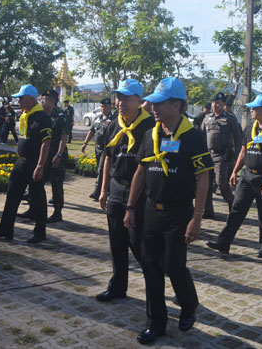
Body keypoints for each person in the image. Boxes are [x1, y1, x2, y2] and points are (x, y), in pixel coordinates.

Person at [123, 77, 213, 345]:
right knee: (151, 268)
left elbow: (204, 177)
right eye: (153, 103)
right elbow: (141, 170)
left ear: (177, 105)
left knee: (173, 266)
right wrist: (130, 208)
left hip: (179, 214)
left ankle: (188, 304)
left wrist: (197, 218)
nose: (153, 108)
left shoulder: (193, 136)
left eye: (160, 104)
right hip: (151, 211)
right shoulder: (152, 133)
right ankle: (156, 323)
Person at [207, 94, 262, 259]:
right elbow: (243, 150)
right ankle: (224, 242)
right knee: (237, 209)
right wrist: (235, 171)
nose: (251, 110)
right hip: (247, 175)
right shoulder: (250, 127)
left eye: (254, 108)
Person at [97, 79, 155, 302]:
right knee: (117, 242)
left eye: (127, 98)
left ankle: (155, 287)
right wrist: (103, 190)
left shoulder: (150, 126)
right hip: (116, 189)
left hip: (141, 193)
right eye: (118, 97)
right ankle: (118, 286)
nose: (120, 102)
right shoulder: (114, 125)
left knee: (140, 245)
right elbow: (108, 159)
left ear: (139, 101)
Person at [0, 84, 52, 243]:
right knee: (12, 195)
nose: (18, 101)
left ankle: (40, 232)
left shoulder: (42, 117)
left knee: (37, 198)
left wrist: (40, 165)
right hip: (21, 162)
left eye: (21, 98)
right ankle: (5, 230)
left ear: (31, 99)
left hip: (34, 164)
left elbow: (46, 143)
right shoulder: (25, 115)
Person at [18, 89, 68, 223]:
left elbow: (64, 137)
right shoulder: (38, 114)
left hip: (55, 154)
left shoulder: (60, 116)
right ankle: (32, 209)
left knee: (56, 184)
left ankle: (57, 212)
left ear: (52, 101)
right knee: (36, 183)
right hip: (42, 155)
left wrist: (59, 155)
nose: (42, 101)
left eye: (44, 99)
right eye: (42, 99)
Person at [201, 92, 243, 218]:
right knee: (206, 184)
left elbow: (238, 138)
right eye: (213, 102)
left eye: (218, 103)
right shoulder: (207, 118)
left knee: (221, 183)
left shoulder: (230, 119)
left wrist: (236, 156)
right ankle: (208, 210)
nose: (215, 105)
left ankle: (232, 202)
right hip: (207, 155)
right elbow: (201, 135)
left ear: (224, 104)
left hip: (222, 156)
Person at [81, 98, 115, 200]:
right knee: (101, 169)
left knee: (101, 170)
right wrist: (85, 143)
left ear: (110, 107)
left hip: (107, 149)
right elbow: (91, 131)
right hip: (98, 148)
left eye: (105, 106)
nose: (103, 108)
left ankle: (97, 191)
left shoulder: (113, 120)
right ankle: (107, 188)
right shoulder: (97, 118)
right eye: (102, 106)